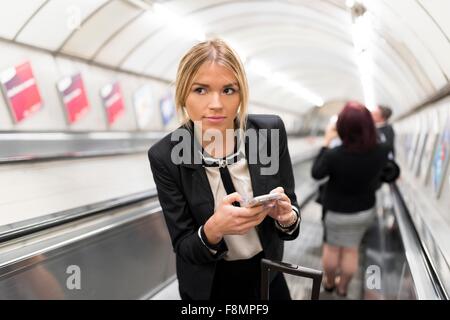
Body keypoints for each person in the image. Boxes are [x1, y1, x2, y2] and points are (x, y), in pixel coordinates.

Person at [148, 39, 301, 300]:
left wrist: (287, 218)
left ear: (241, 94)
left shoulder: (268, 133)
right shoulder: (166, 156)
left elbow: (292, 216)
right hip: (210, 285)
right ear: (184, 95)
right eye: (201, 90)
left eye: (228, 90)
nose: (216, 103)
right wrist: (213, 229)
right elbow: (184, 246)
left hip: (268, 274)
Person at [311, 101, 389, 297]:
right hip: (364, 210)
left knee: (332, 248)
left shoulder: (334, 155)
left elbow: (316, 173)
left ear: (341, 128)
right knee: (351, 250)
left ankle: (329, 283)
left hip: (336, 211)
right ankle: (343, 287)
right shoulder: (381, 150)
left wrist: (326, 142)